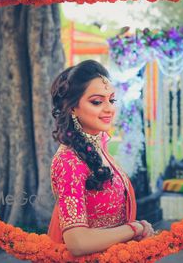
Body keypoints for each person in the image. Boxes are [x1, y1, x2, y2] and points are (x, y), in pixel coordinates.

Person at [47, 60, 155, 257]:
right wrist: (135, 229)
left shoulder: (97, 146)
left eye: (111, 100)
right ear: (72, 108)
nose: (109, 109)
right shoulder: (69, 162)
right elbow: (77, 242)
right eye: (97, 101)